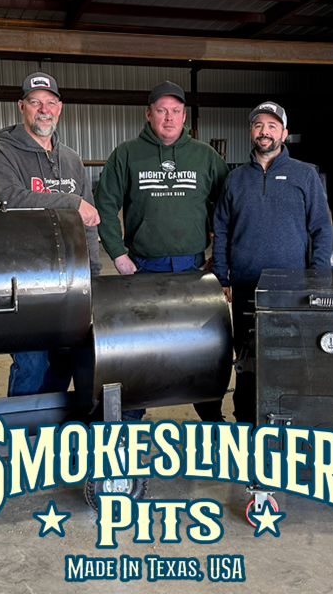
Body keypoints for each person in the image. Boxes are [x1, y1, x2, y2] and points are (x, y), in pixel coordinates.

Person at [95, 80, 230, 421]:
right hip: (143, 270)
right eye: (161, 111)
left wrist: (220, 257)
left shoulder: (205, 156)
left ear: (184, 116)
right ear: (148, 114)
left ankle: (211, 413)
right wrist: (118, 254)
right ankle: (132, 415)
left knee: (203, 347)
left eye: (175, 112)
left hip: (193, 270)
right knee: (142, 349)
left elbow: (228, 207)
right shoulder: (126, 154)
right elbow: (105, 205)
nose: (169, 118)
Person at [212, 101, 333, 424]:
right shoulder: (235, 179)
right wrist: (220, 275)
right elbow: (221, 229)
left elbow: (322, 228)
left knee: (290, 359)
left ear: (284, 133)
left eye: (271, 126)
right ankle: (247, 423)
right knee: (247, 358)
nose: (264, 132)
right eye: (258, 126)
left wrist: (318, 279)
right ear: (251, 132)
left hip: (291, 290)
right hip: (245, 286)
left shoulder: (305, 175)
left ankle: (289, 422)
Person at [0, 71, 102, 398]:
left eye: (50, 103)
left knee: (64, 360)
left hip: (70, 279)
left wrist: (93, 271)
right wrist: (71, 202)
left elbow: (88, 220)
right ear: (22, 107)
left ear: (60, 108)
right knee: (31, 363)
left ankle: (49, 430)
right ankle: (20, 437)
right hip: (26, 279)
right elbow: (14, 199)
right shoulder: (0, 153)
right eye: (35, 103)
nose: (43, 109)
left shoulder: (72, 160)